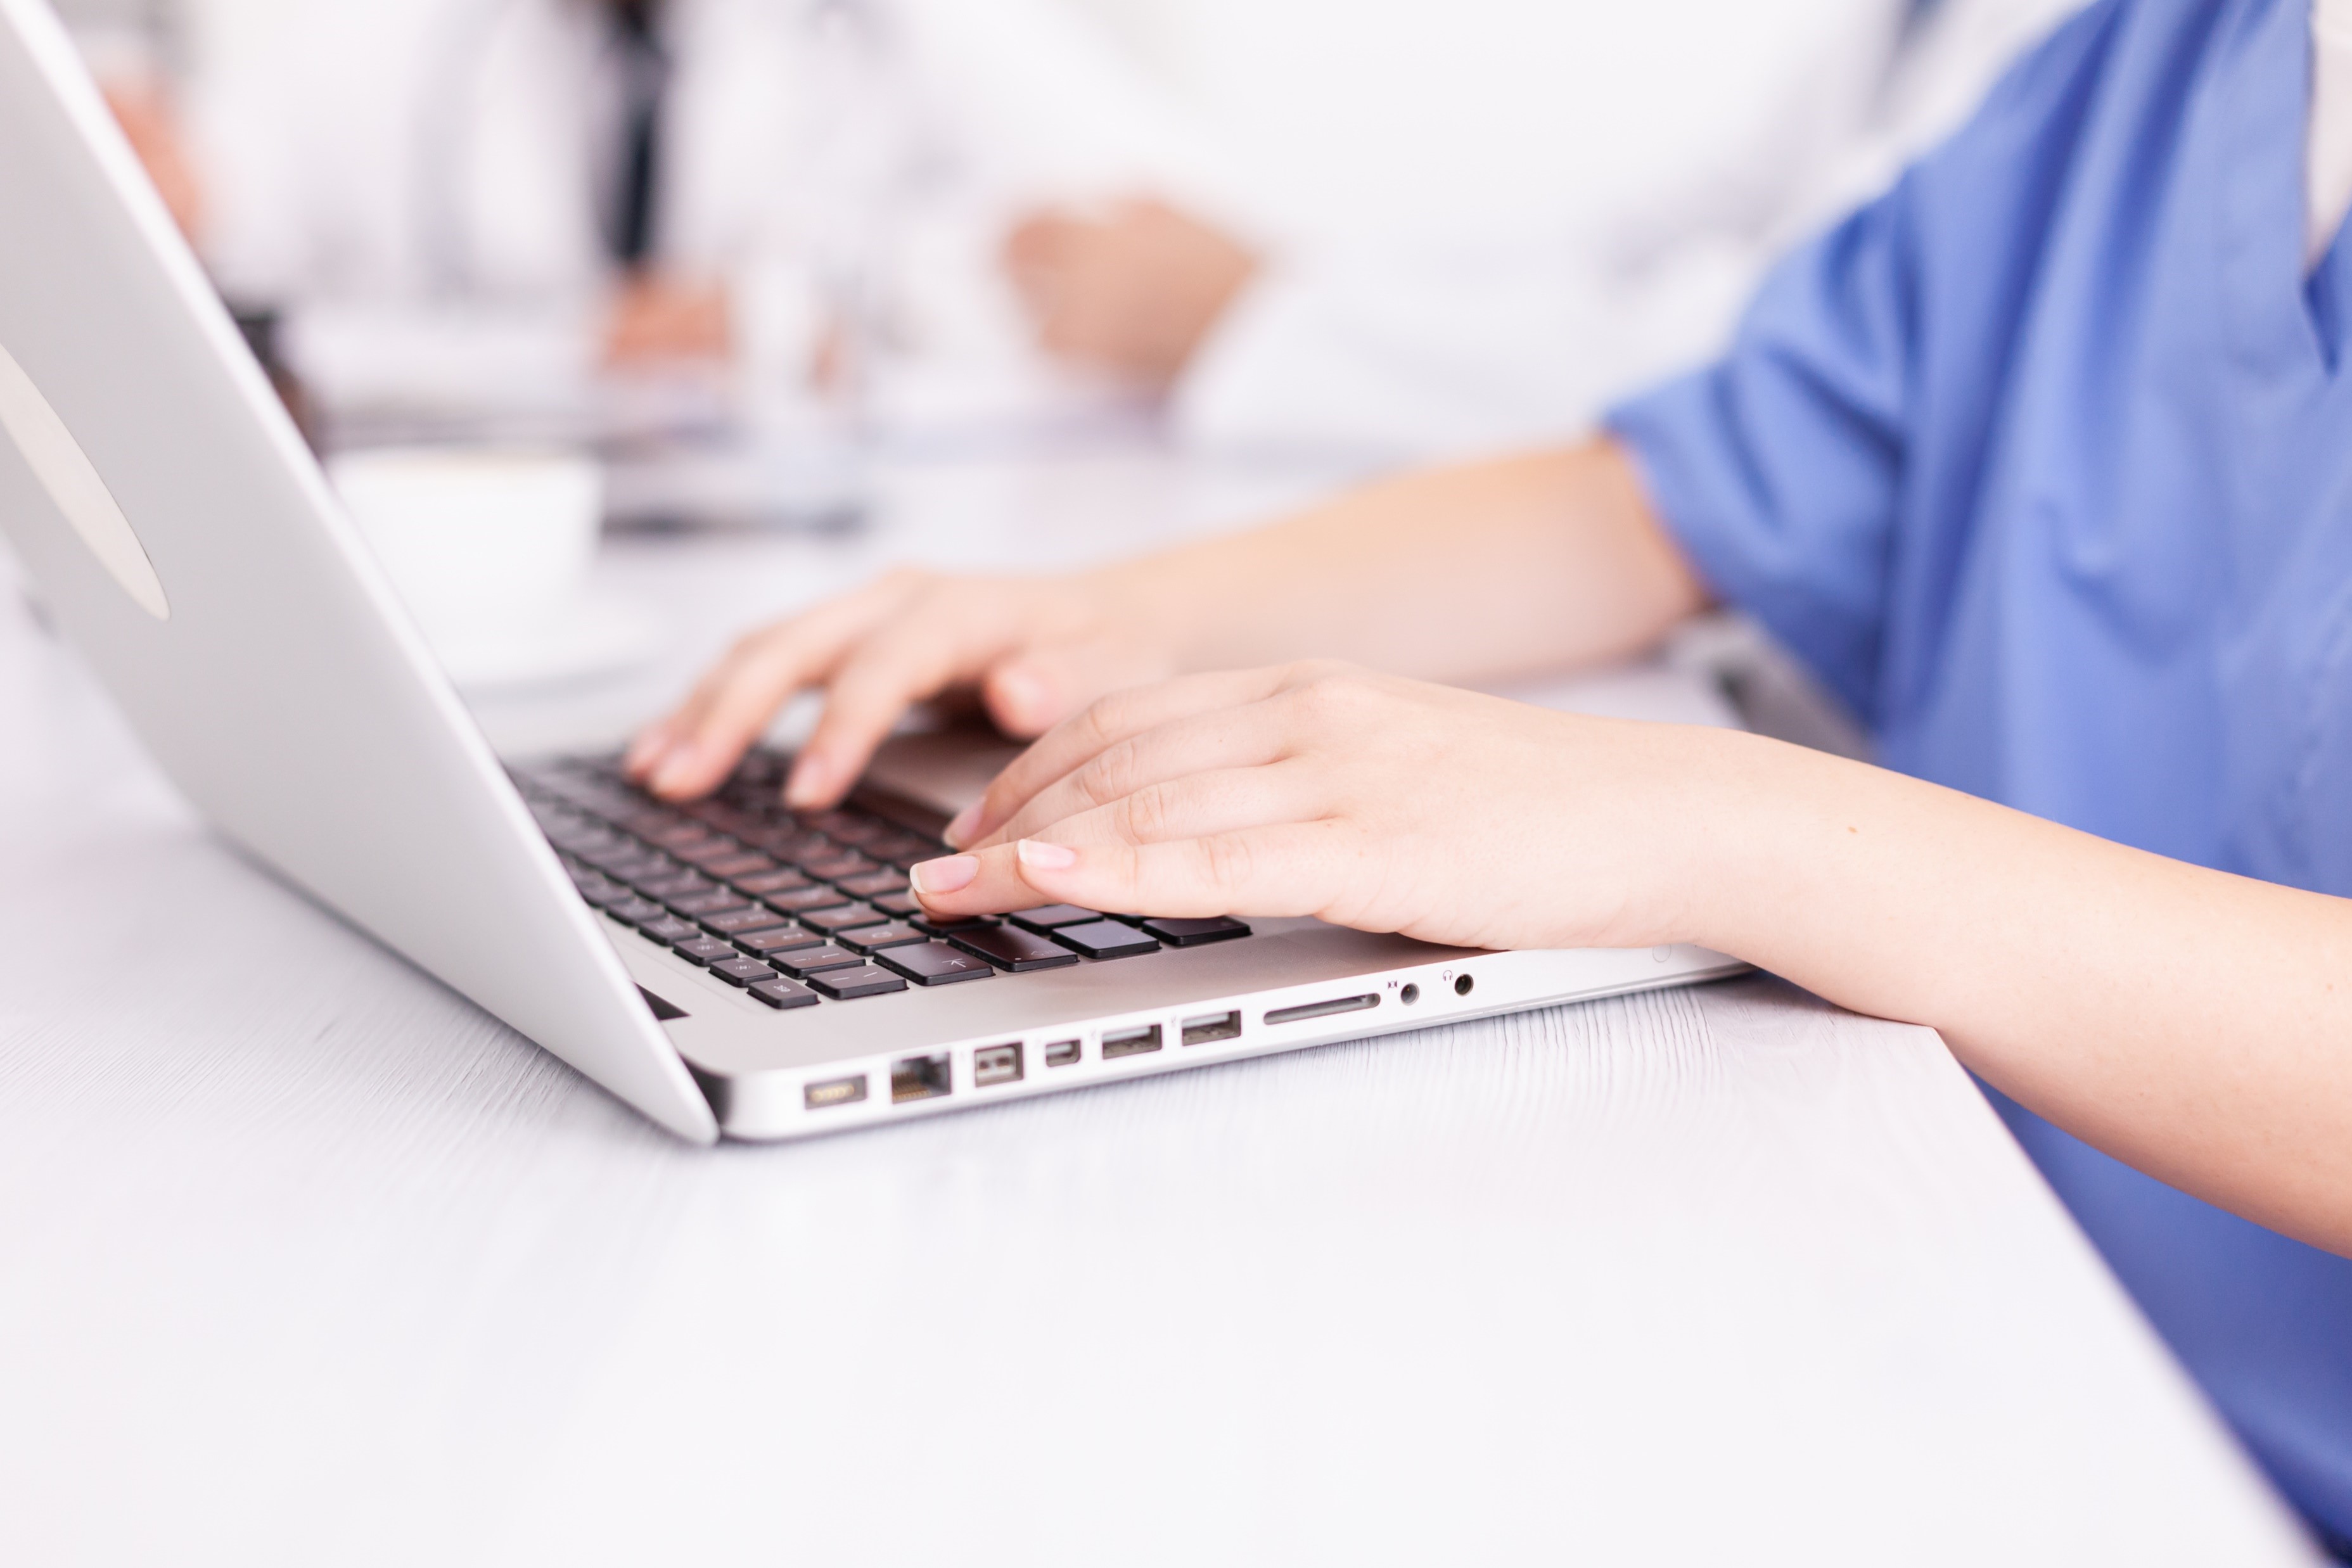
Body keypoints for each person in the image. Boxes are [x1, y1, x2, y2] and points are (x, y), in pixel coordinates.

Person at [624, 0, 2352, 1550]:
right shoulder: (2155, 72)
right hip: (1988, 1304)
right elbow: (1672, 490)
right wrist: (1116, 620)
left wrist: (1706, 822)